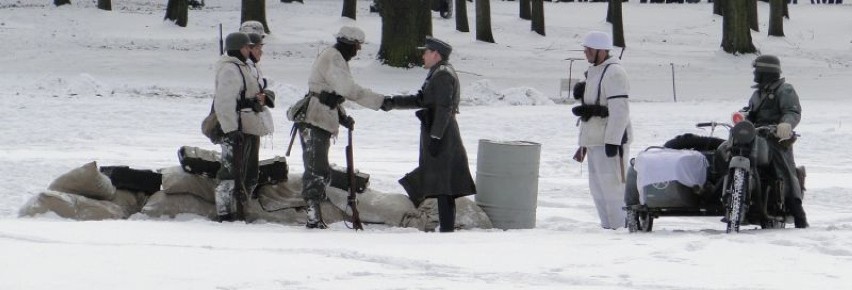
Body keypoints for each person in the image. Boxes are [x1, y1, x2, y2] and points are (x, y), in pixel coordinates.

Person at [287, 26, 385, 229]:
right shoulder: (334, 58)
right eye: (356, 46)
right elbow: (347, 89)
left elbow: (330, 94)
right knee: (316, 168)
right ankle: (313, 216)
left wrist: (342, 117)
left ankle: (317, 212)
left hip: (321, 116)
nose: (357, 51)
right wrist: (381, 102)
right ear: (348, 44)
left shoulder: (335, 57)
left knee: (319, 167)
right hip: (314, 118)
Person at [381, 37, 477, 233]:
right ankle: (446, 227)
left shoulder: (442, 75)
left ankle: (446, 228)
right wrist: (392, 102)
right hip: (440, 132)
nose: (423, 55)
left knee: (442, 184)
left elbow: (443, 108)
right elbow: (422, 99)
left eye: (426, 52)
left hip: (441, 134)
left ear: (435, 54)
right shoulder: (438, 72)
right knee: (442, 185)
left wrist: (435, 137)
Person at [572, 31, 632, 230]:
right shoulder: (594, 72)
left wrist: (613, 142)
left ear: (601, 51)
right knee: (597, 189)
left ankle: (620, 227)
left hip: (609, 141)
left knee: (613, 188)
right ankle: (608, 227)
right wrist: (583, 144)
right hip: (594, 139)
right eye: (585, 49)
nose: (585, 53)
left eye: (589, 49)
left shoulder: (614, 73)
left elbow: (619, 111)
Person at [213, 32, 273, 222]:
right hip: (235, 128)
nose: (251, 49)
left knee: (247, 172)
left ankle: (241, 208)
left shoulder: (243, 67)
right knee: (229, 173)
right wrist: (231, 131)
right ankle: (225, 213)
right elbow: (224, 103)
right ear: (239, 48)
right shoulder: (230, 70)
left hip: (246, 126)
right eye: (247, 47)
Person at [744, 54, 808, 228]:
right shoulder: (757, 94)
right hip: (753, 136)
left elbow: (792, 111)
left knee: (784, 169)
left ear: (766, 72)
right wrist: (742, 118)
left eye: (757, 70)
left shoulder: (784, 89)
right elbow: (749, 114)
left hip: (775, 138)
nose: (754, 74)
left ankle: (798, 213)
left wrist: (786, 124)